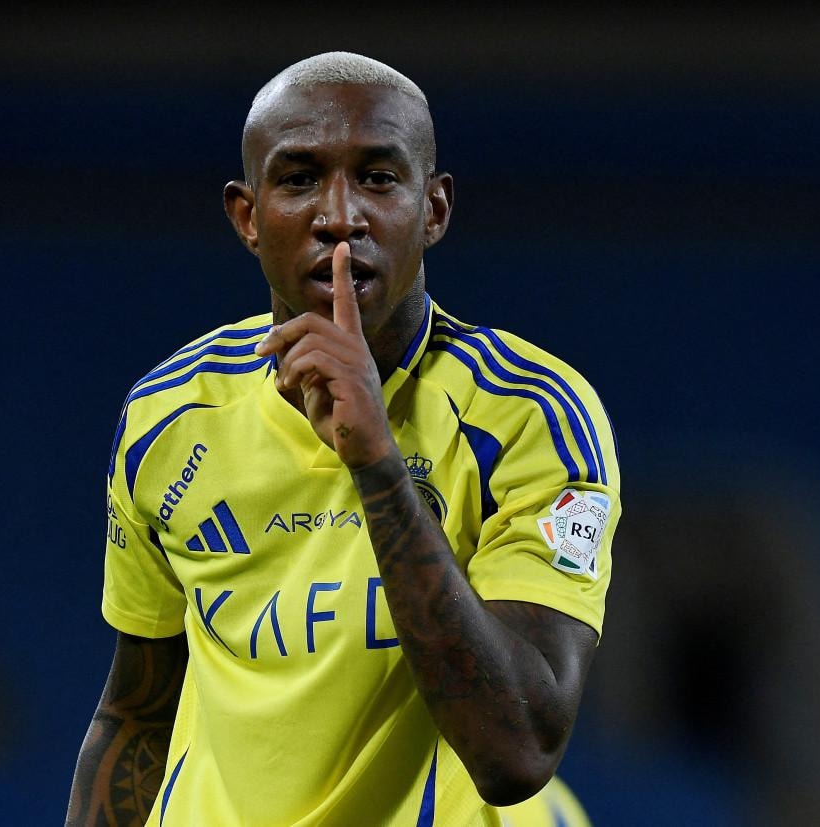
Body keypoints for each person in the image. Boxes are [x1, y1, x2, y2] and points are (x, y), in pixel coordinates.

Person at [67, 51, 618, 827]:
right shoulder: (169, 413)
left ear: (434, 208)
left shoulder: (529, 415)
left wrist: (378, 463)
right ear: (247, 217)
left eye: (379, 178)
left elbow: (517, 750)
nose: (340, 215)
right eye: (298, 179)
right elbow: (136, 714)